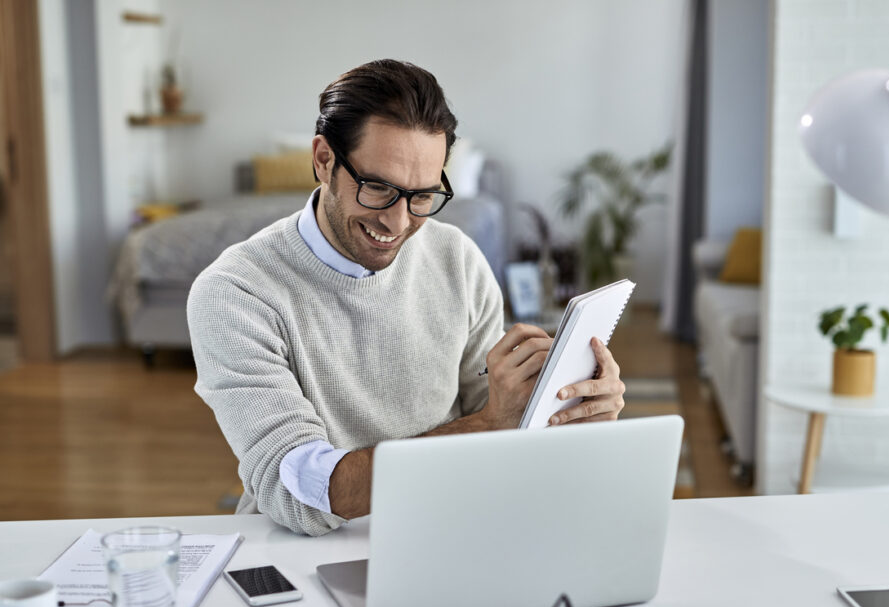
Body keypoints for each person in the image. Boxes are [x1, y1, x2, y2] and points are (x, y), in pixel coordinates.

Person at [187, 59, 626, 536]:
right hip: (306, 555)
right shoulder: (235, 293)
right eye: (378, 188)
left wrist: (569, 407)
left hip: (449, 529)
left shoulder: (455, 257)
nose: (398, 224)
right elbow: (299, 494)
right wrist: (486, 425)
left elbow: (503, 421)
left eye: (421, 196)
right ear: (323, 159)